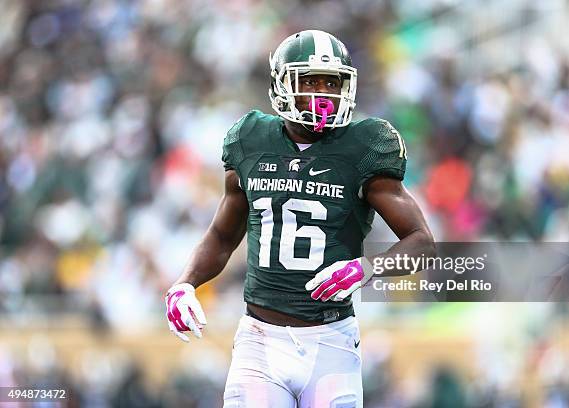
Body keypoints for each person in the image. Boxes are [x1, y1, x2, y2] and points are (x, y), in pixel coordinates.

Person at [164, 29, 435, 408]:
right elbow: (223, 236)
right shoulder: (250, 140)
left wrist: (367, 268)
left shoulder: (365, 147)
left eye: (332, 82)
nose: (323, 93)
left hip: (331, 341)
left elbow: (422, 243)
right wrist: (185, 283)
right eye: (310, 81)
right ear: (280, 84)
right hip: (260, 340)